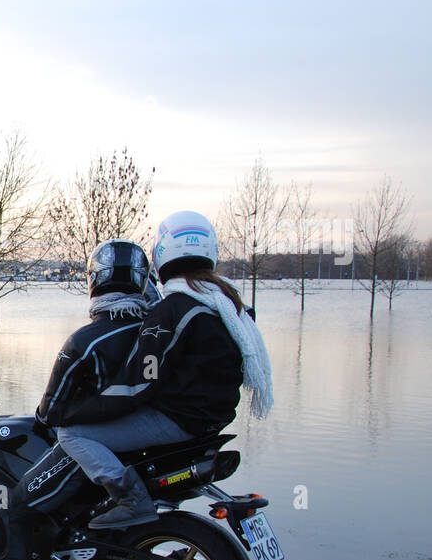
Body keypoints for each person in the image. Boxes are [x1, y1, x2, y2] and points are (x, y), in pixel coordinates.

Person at [0, 239, 158, 560]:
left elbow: (48, 413)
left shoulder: (85, 342)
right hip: (144, 444)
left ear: (96, 280)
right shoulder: (156, 331)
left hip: (86, 447)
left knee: (10, 512)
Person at [58, 210, 274, 530]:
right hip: (212, 418)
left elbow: (141, 382)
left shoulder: (173, 310)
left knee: (71, 434)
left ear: (162, 253)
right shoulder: (225, 304)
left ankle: (131, 500)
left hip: (178, 419)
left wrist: (77, 410)